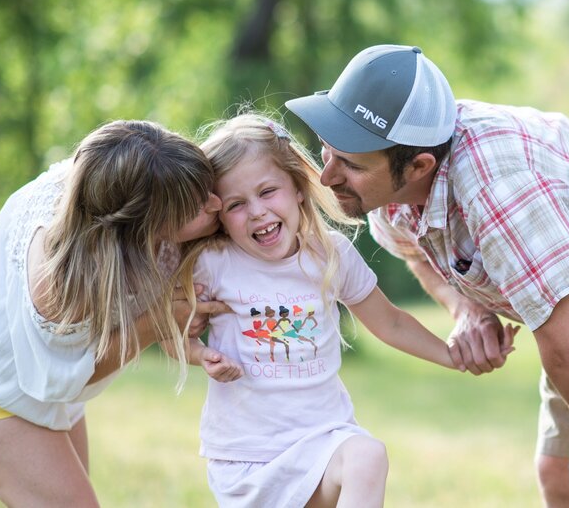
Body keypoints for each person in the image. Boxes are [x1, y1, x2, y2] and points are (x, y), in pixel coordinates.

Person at [285, 44, 569, 507]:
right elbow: (416, 254)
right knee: (557, 472)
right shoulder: (387, 191)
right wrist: (469, 311)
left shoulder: (498, 191)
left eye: (351, 164)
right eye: (328, 150)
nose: (326, 176)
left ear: (419, 165)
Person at [178, 113, 517, 508]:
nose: (256, 211)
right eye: (236, 204)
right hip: (247, 456)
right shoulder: (213, 263)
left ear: (299, 188)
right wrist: (201, 355)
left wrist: (456, 355)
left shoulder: (330, 254)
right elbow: (173, 333)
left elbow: (389, 321)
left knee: (366, 455)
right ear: (218, 213)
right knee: (363, 456)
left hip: (323, 441)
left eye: (268, 191)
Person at [0, 120, 231, 507]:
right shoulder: (61, 283)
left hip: (32, 355)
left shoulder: (115, 180)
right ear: (144, 224)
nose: (217, 203)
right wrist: (158, 320)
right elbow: (62, 381)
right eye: (197, 206)